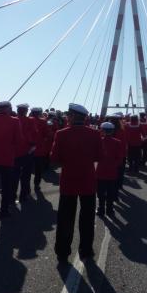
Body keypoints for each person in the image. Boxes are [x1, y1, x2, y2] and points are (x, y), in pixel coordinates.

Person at [51, 104, 102, 263]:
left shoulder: (61, 134)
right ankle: (86, 250)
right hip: (87, 180)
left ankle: (62, 251)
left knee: (65, 218)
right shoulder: (95, 134)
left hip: (68, 181)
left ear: (72, 116)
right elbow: (99, 156)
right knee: (87, 218)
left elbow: (54, 158)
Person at [96, 122, 123, 217]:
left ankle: (101, 209)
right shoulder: (118, 142)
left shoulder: (99, 141)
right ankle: (110, 209)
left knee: (100, 192)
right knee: (111, 192)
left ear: (102, 130)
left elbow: (95, 157)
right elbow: (120, 159)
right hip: (112, 171)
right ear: (112, 131)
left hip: (100, 171)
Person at [13, 103, 37, 203]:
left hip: (14, 152)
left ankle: (12, 196)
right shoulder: (30, 121)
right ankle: (23, 195)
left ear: (18, 110)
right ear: (26, 111)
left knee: (14, 175)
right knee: (26, 176)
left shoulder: (12, 120)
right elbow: (35, 133)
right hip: (27, 151)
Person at [30, 107, 49, 190]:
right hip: (39, 148)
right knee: (38, 169)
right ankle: (36, 184)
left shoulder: (28, 120)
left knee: (26, 169)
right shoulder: (43, 121)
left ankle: (26, 188)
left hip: (28, 148)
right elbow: (46, 134)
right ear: (39, 113)